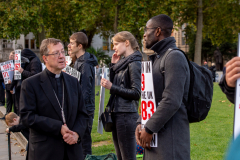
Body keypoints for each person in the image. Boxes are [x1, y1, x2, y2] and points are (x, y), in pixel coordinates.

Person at [20, 38, 89, 160]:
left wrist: (76, 134)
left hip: (72, 150)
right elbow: (27, 117)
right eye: (56, 53)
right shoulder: (30, 84)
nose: (62, 56)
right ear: (45, 58)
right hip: (45, 151)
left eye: (63, 52)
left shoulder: (73, 82)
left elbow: (82, 114)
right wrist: (58, 127)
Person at [135, 14, 190, 160]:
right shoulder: (159, 58)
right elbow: (151, 98)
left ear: (158, 31)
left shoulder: (174, 57)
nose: (144, 35)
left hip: (169, 142)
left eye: (147, 30)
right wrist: (141, 122)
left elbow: (171, 100)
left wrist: (149, 127)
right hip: (154, 138)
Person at [101, 31, 142, 160]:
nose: (114, 47)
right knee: (121, 157)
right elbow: (115, 87)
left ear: (127, 43)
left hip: (127, 115)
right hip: (118, 113)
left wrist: (111, 86)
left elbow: (136, 93)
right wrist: (113, 65)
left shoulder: (134, 63)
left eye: (116, 44)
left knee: (128, 157)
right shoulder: (123, 62)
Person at [68, 32, 98, 158]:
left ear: (79, 46)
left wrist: (78, 109)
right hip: (79, 107)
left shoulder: (85, 64)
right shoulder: (78, 61)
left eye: (72, 43)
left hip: (85, 109)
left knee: (84, 143)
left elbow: (85, 90)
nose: (69, 45)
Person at [10, 49, 42, 115]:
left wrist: (23, 71)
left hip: (33, 88)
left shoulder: (35, 62)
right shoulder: (31, 61)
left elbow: (34, 75)